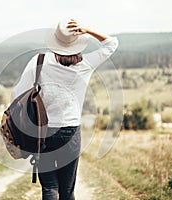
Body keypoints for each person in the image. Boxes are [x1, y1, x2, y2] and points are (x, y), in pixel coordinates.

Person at [13, 19, 118, 200]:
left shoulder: (39, 60)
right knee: (67, 190)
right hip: (70, 133)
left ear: (54, 42)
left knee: (49, 188)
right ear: (78, 44)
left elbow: (17, 93)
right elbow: (111, 44)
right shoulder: (86, 64)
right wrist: (87, 30)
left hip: (43, 132)